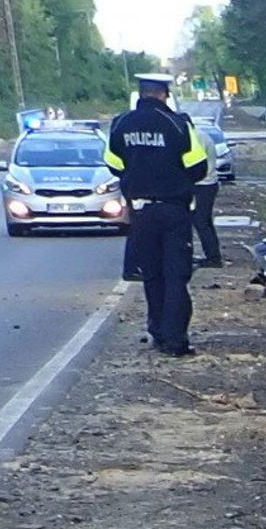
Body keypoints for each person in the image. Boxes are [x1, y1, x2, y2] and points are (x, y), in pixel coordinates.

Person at [104, 73, 208, 357]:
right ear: (164, 94)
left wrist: (137, 171)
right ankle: (176, 340)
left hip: (140, 211)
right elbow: (199, 167)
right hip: (173, 210)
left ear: (141, 93)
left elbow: (112, 163)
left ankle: (158, 333)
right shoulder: (178, 123)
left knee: (152, 275)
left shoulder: (121, 123)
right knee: (176, 276)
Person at [190, 121, 222, 268]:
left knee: (200, 221)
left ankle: (213, 258)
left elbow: (194, 162)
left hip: (203, 184)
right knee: (205, 221)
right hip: (208, 183)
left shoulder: (195, 137)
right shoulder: (201, 135)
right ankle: (213, 255)